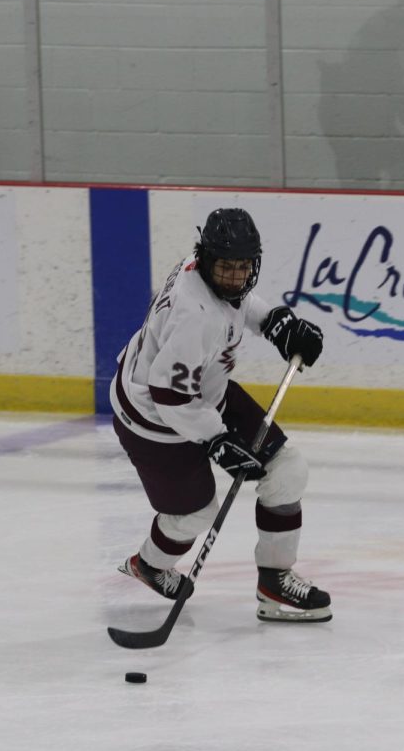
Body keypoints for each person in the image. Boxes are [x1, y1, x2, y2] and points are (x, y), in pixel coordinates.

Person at [110, 207, 331, 623]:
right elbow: (168, 395)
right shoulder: (197, 317)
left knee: (287, 470)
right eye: (225, 267)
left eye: (243, 267)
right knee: (196, 512)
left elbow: (241, 302)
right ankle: (149, 564)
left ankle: (275, 580)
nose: (234, 277)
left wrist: (274, 322)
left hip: (202, 393)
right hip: (152, 418)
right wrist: (217, 439)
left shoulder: (202, 269)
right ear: (208, 259)